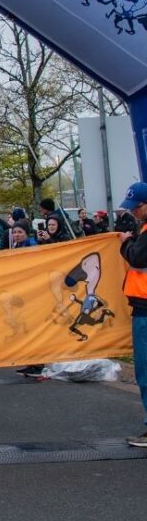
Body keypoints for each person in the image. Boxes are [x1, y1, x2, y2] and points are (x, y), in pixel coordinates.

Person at [119, 182, 147, 448]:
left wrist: (125, 244)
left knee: (146, 371)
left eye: (137, 207)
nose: (134, 213)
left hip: (145, 312)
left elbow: (138, 259)